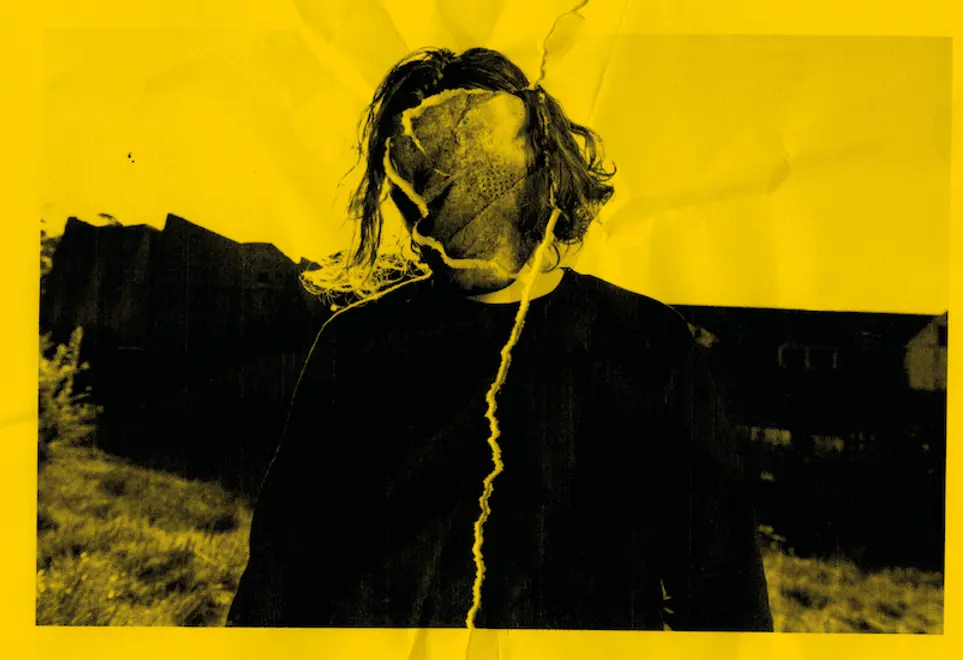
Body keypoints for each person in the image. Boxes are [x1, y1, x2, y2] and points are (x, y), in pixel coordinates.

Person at [226, 47, 773, 631]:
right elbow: (277, 585)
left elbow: (726, 601)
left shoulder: (645, 344)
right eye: (417, 173)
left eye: (471, 168)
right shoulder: (356, 347)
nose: (444, 202)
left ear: (541, 164)